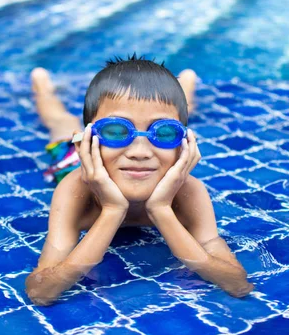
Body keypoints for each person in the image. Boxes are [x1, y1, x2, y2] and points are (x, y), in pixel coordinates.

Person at [25, 54, 253, 306]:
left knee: (172, 106)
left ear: (186, 144)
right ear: (87, 141)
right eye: (115, 130)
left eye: (165, 132)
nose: (140, 152)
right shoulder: (75, 189)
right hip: (72, 161)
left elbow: (237, 283)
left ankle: (184, 88)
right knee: (61, 122)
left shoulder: (188, 191)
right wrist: (113, 210)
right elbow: (41, 292)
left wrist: (161, 210)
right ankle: (43, 89)